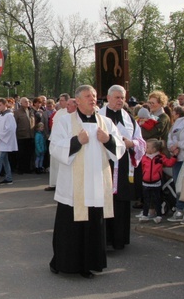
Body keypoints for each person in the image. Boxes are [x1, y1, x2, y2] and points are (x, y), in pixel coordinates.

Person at [49, 85, 126, 278]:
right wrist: (76, 141)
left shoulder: (105, 122)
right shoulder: (65, 122)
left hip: (97, 183)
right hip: (74, 186)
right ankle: (64, 262)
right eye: (87, 96)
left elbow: (120, 147)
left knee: (93, 223)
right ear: (77, 101)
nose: (92, 99)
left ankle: (89, 264)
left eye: (93, 95)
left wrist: (108, 139)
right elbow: (55, 147)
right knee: (70, 226)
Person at [100, 85, 146, 248]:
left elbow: (140, 141)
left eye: (122, 98)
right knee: (104, 201)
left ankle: (120, 239)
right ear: (108, 97)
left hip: (124, 164)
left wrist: (131, 143)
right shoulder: (98, 116)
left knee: (121, 203)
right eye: (117, 97)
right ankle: (104, 239)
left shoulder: (128, 117)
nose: (120, 100)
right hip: (104, 163)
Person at [138, 139, 176, 223]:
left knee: (157, 199)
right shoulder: (144, 157)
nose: (145, 148)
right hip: (145, 182)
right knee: (146, 200)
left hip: (156, 182)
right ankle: (145, 214)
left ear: (154, 149)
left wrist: (174, 157)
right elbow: (142, 168)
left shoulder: (160, 157)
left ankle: (159, 215)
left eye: (147, 147)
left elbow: (169, 163)